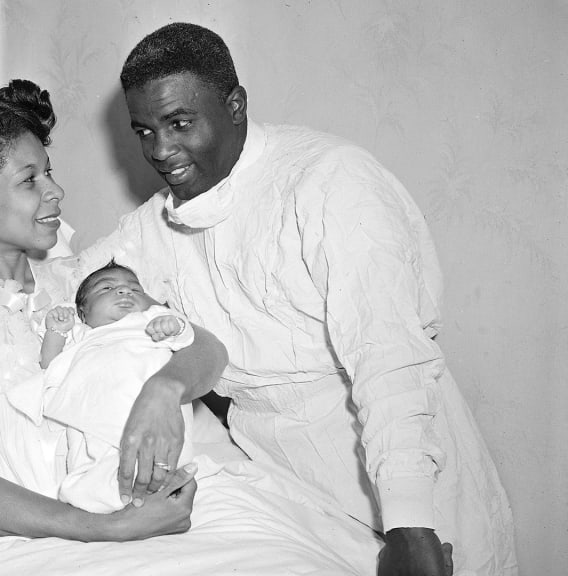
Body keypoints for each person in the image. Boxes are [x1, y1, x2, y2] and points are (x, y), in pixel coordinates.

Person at [78, 22, 516, 576]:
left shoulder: (330, 181)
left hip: (411, 484)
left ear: (235, 105)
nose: (161, 151)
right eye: (145, 131)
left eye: (180, 123)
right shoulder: (155, 226)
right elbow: (67, 280)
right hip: (286, 490)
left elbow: (389, 360)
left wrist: (410, 524)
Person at [0, 79, 223, 542]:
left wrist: (164, 389)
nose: (56, 191)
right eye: (30, 180)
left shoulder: (82, 282)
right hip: (29, 542)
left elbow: (207, 348)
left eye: (49, 173)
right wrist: (106, 528)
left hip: (147, 509)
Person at [40, 261, 197, 513]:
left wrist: (173, 326)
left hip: (152, 408)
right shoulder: (83, 334)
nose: (124, 291)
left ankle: (153, 490)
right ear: (83, 312)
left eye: (134, 289)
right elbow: (51, 365)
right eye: (107, 288)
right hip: (97, 411)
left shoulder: (151, 320)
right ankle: (97, 499)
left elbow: (187, 338)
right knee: (87, 458)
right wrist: (56, 331)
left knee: (161, 455)